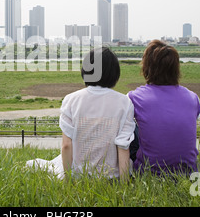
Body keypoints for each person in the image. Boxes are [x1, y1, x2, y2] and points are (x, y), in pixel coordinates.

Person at [26, 47, 136, 180]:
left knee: (45, 164)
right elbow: (123, 146)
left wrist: (67, 180)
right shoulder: (124, 102)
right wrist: (123, 184)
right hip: (111, 176)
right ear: (114, 73)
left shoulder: (71, 100)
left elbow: (66, 145)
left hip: (79, 175)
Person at [128, 40, 200, 176]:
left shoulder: (134, 97)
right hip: (188, 172)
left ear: (147, 67)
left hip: (148, 173)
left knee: (130, 127)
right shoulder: (193, 98)